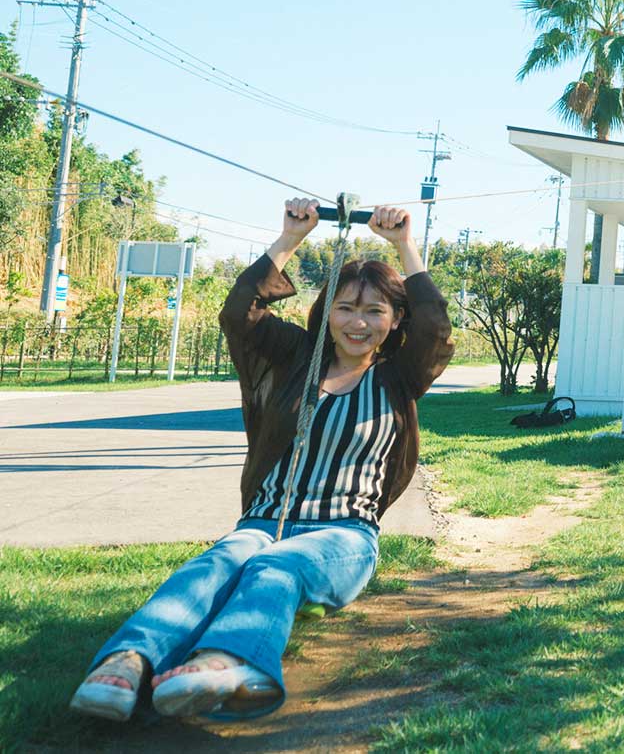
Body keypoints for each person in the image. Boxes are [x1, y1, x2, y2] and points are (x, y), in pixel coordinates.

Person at [70, 198, 453, 722]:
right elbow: (240, 311)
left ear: (393, 320)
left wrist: (405, 245)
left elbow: (435, 326)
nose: (357, 322)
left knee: (276, 566)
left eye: (373, 311)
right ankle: (126, 663)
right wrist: (290, 238)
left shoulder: (399, 376)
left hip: (342, 536)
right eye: (345, 307)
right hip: (262, 521)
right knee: (218, 562)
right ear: (326, 311)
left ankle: (224, 660)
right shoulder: (296, 356)